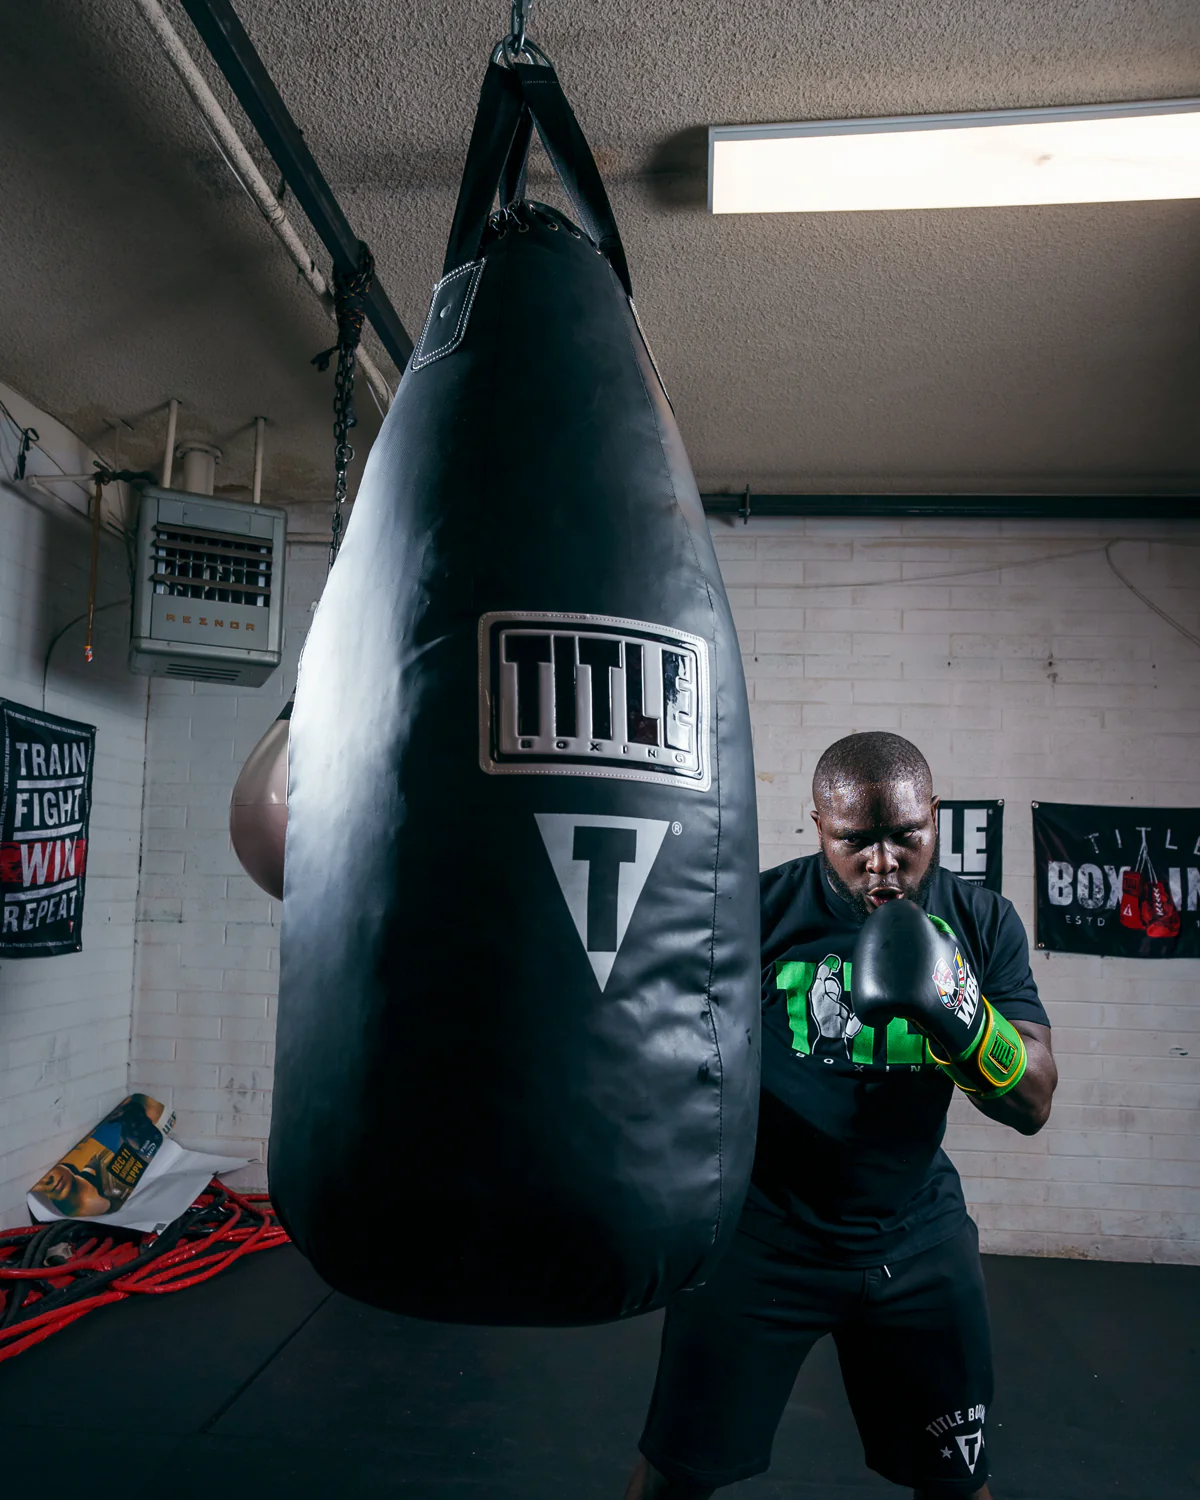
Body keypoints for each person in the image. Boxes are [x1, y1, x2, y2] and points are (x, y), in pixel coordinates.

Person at [624, 731, 1057, 1500]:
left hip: (915, 1238)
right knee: (674, 1475)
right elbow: (668, 1055)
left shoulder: (983, 922)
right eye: (856, 841)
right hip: (764, 1238)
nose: (884, 863)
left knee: (959, 1483)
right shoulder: (757, 911)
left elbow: (1035, 1101)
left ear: (935, 815)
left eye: (906, 837)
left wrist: (962, 1017)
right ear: (819, 826)